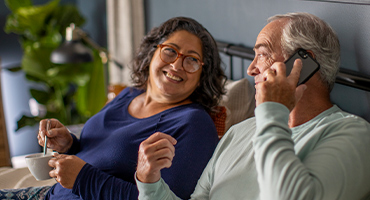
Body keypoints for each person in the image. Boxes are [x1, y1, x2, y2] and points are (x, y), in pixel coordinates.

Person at [135, 12, 370, 200]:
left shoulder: (354, 135)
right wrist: (150, 183)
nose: (251, 69)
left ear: (300, 65)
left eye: (262, 54)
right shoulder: (239, 132)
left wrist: (273, 111)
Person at [0, 17, 226, 200]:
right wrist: (69, 144)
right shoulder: (128, 94)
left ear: (202, 76)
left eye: (192, 60)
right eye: (170, 51)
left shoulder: (193, 123)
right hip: (48, 194)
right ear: (152, 52)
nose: (177, 64)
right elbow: (102, 156)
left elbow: (161, 197)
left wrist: (83, 179)